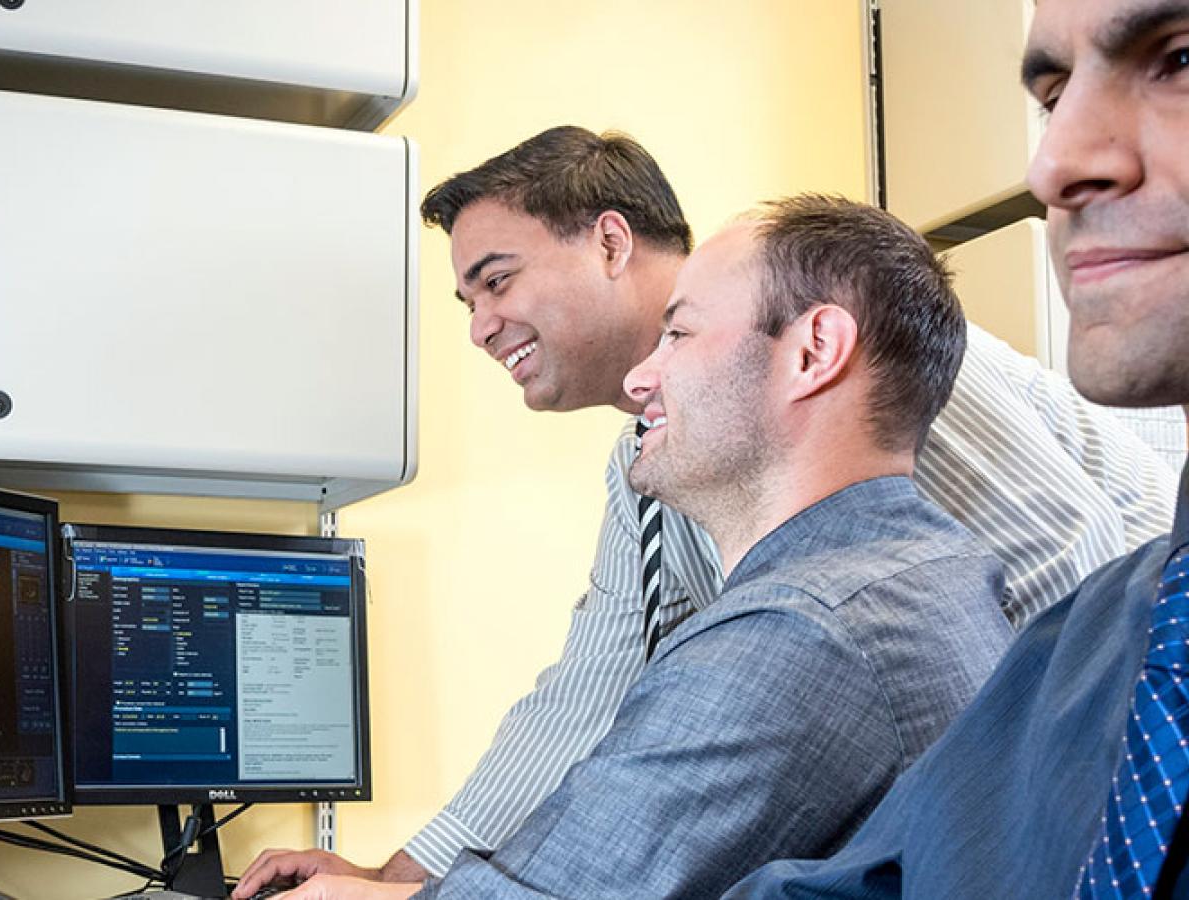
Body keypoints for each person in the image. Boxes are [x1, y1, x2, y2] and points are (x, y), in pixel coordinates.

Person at [233, 127, 1177, 900]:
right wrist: (398, 879)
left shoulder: (859, 356)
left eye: (496, 278)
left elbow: (1085, 582)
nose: (479, 324)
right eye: (465, 299)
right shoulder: (659, 470)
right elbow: (584, 696)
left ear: (609, 242)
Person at [724, 1, 1189, 896]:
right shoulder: (1081, 650)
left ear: (816, 350)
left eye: (1178, 59)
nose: (1053, 166)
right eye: (1053, 96)